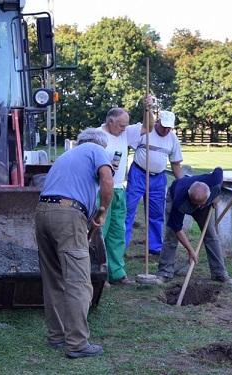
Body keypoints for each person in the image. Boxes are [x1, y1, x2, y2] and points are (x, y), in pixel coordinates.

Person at [35, 128, 114, 359]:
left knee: (53, 279)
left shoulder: (67, 155)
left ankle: (57, 336)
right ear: (101, 144)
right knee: (79, 281)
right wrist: (103, 212)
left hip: (42, 212)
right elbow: (107, 180)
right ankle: (77, 343)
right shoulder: (97, 149)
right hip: (68, 215)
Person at [98, 95, 154, 285]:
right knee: (100, 233)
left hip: (119, 190)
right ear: (110, 122)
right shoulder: (96, 136)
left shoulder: (124, 133)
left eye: (125, 126)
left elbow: (148, 127)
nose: (124, 129)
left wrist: (148, 109)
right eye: (121, 125)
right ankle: (99, 272)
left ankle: (117, 273)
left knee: (117, 233)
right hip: (100, 191)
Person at [156, 167, 232, 284]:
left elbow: (219, 169)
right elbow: (177, 229)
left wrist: (214, 198)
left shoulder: (215, 183)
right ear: (189, 196)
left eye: (200, 203)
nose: (197, 206)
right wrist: (191, 251)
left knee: (211, 235)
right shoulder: (179, 201)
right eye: (195, 203)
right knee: (171, 235)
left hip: (206, 204)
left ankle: (219, 273)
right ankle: (164, 272)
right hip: (174, 196)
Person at [125, 110, 183, 260]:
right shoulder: (146, 131)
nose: (166, 130)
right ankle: (121, 244)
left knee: (156, 214)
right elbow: (126, 145)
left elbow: (175, 163)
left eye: (169, 128)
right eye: (164, 127)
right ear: (157, 122)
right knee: (128, 210)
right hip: (138, 174)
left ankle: (155, 247)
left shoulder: (172, 138)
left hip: (158, 179)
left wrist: (182, 184)